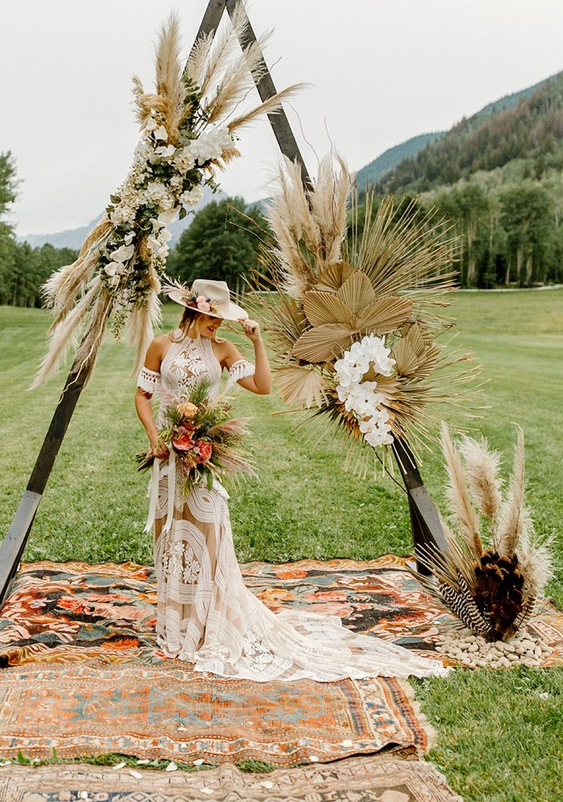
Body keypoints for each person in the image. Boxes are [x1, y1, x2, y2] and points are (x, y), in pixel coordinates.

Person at [135, 278, 449, 682]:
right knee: (170, 537)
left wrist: (257, 341)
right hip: (168, 456)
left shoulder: (225, 350)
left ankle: (204, 629)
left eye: (221, 319)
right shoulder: (162, 345)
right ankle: (173, 626)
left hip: (204, 454)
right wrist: (155, 437)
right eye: (214, 319)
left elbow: (263, 387)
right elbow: (142, 396)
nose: (218, 326)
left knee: (205, 536)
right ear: (195, 311)